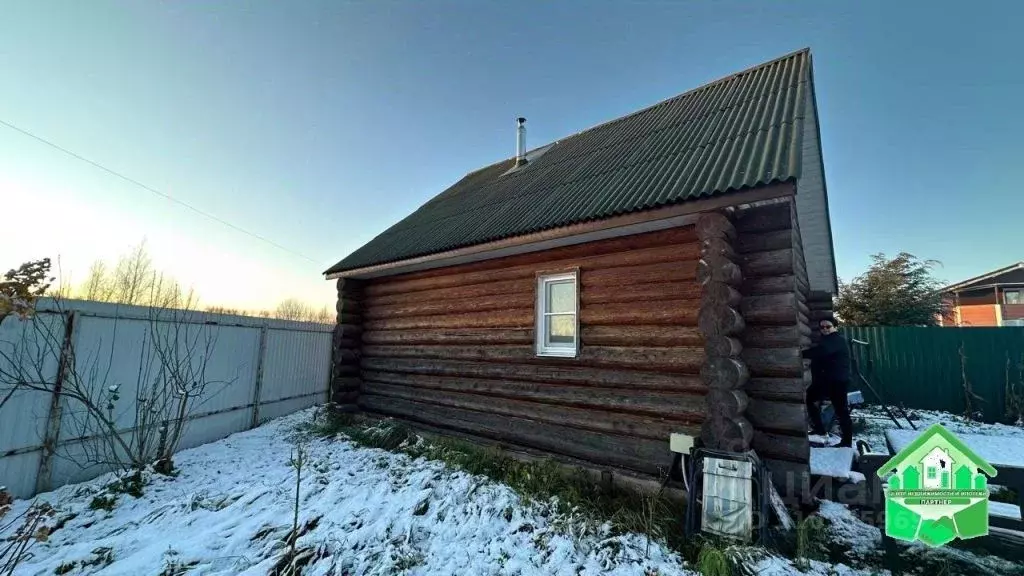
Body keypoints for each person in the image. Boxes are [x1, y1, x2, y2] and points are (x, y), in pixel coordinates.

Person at [802, 316, 853, 447]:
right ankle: (820, 429)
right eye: (822, 327)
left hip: (838, 382)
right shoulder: (827, 340)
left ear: (835, 327)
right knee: (810, 398)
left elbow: (822, 351)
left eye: (828, 326)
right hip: (827, 381)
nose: (825, 329)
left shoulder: (837, 339)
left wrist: (801, 353)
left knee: (841, 411)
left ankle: (846, 442)